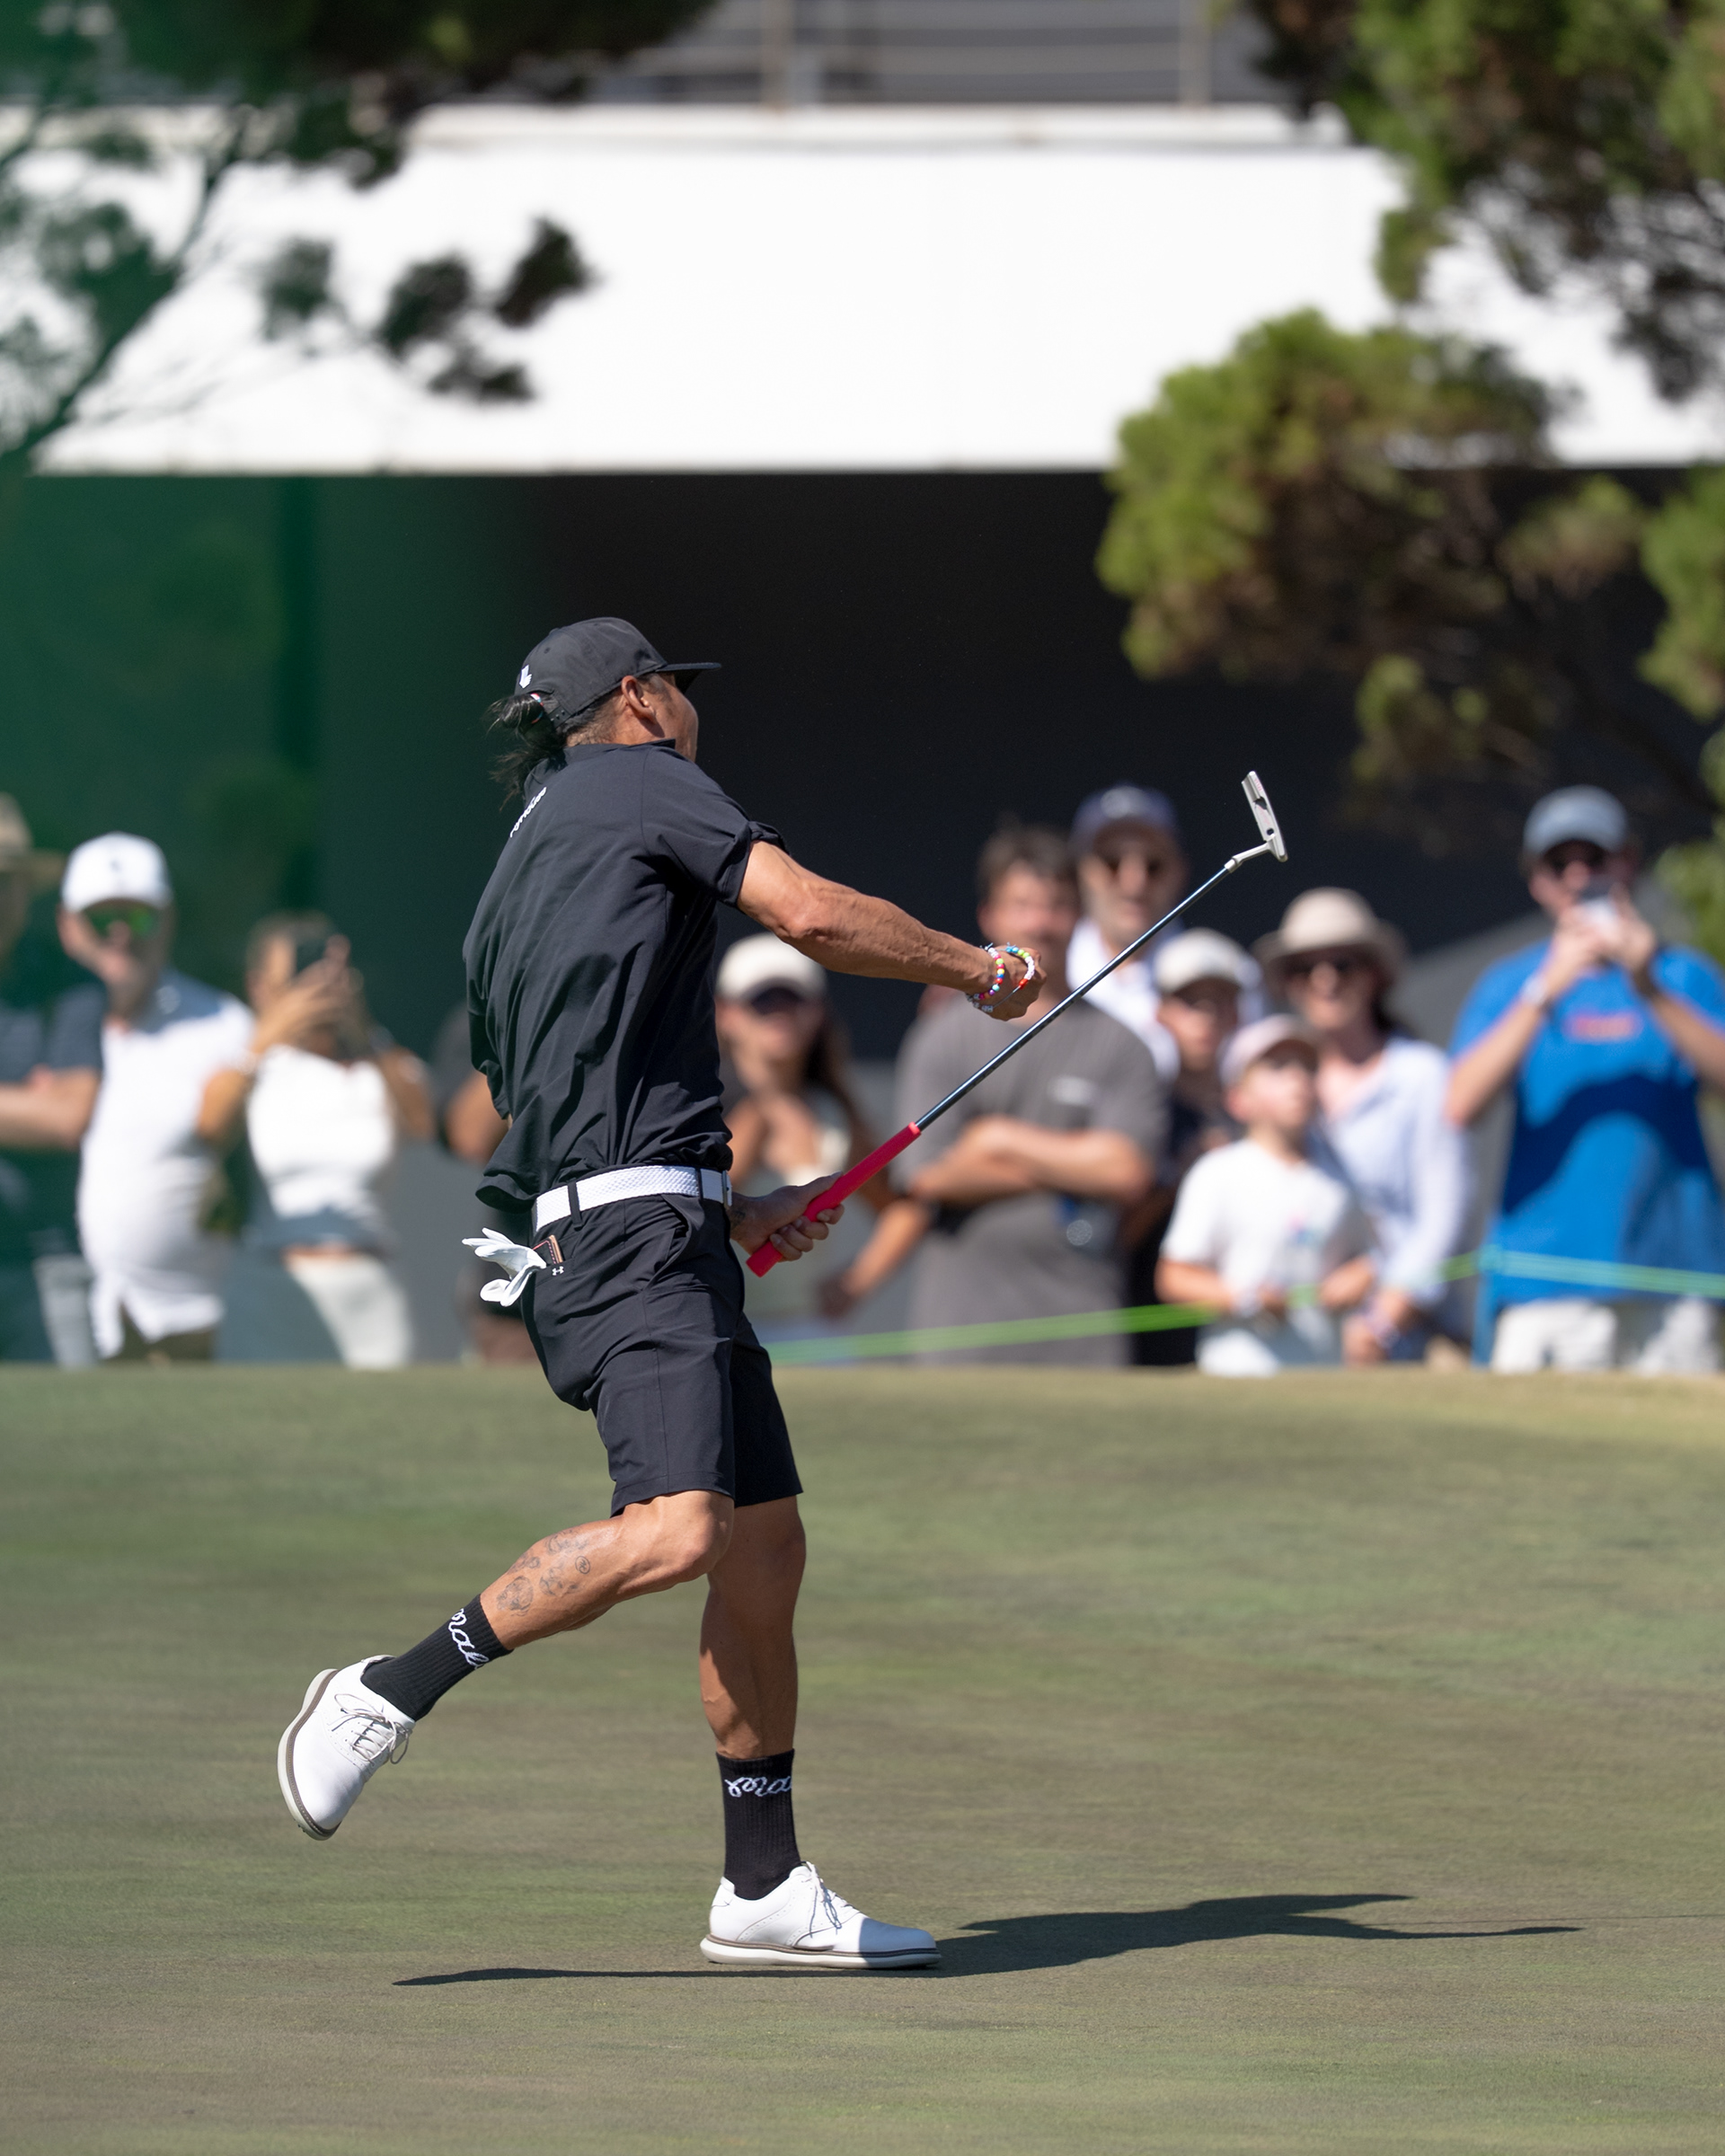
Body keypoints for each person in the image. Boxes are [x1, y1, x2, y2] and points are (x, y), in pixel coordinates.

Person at [277, 616, 1039, 1972]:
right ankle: (387, 1689)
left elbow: (553, 1090)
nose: (691, 712)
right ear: (636, 698)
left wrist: (723, 1208)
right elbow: (808, 914)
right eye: (677, 689)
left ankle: (763, 1885)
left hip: (643, 1230)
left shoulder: (516, 869)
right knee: (684, 1529)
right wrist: (976, 969)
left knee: (764, 1546)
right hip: (631, 1243)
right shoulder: (643, 779)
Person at [1447, 786, 1725, 1373]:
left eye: (1594, 858)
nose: (1578, 876)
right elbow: (1459, 1104)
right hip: (1544, 1280)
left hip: (1674, 1278)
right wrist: (1546, 989)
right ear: (1538, 881)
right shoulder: (1510, 984)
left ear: (1628, 862)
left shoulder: (1684, 975)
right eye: (1559, 863)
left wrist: (1650, 988)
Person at [876, 825, 1163, 1365]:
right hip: (962, 1337)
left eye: (1056, 906)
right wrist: (1075, 1164)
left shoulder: (1122, 1045)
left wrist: (996, 1140)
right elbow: (926, 1174)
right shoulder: (943, 1035)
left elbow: (1128, 1172)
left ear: (1079, 915)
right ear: (989, 916)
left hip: (1085, 1337)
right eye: (1023, 905)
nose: (1039, 923)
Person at [58, 835, 257, 1364]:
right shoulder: (35, 1024)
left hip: (198, 1325)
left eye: (140, 916)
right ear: (67, 926)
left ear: (168, 921)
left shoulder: (226, 1025)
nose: (121, 933)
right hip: (64, 1324)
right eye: (102, 918)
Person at [208, 915, 433, 1369]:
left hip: (370, 1295)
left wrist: (363, 1027)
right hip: (269, 1294)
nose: (314, 989)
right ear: (258, 987)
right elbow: (209, 1126)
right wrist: (268, 1036)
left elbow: (424, 1124)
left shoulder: (377, 1064)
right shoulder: (251, 1066)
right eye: (297, 978)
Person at [1257, 888, 1470, 1364]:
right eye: (1305, 968)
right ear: (1288, 983)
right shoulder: (1270, 1083)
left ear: (1375, 974)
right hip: (1297, 1343)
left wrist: (1382, 1322)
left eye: (1343, 964)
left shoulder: (1422, 1075)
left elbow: (1444, 1216)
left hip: (1408, 1341)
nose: (1325, 980)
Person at [1157, 1016, 1376, 1377]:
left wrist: (1360, 1277)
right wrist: (1246, 1298)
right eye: (1277, 1068)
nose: (1297, 1080)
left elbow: (1366, 1256)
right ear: (1238, 1099)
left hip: (1321, 1375)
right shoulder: (1217, 1173)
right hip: (1237, 1374)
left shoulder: (1339, 1175)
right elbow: (1174, 1276)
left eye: (1307, 1067)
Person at [714, 934, 890, 1325]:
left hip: (808, 1332)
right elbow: (700, 1204)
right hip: (719, 1330)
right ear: (726, 1013)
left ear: (817, 1012)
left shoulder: (831, 1114)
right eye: (762, 1001)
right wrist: (756, 1116)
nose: (779, 1014)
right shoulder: (694, 1112)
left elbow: (901, 1206)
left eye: (792, 999)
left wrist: (855, 1281)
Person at [1066, 783, 1264, 1082]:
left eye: (1154, 865)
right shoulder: (1045, 970)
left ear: (1180, 871)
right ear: (1083, 871)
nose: (1134, 884)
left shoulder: (1235, 976)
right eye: (1112, 862)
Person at [1119, 928, 1252, 1368]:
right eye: (1191, 1003)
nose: (1206, 1018)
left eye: (1220, 1003)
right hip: (1147, 1319)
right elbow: (1116, 1237)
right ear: (1161, 1012)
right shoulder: (1141, 1109)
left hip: (1241, 1329)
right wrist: (1183, 1175)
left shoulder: (1255, 1117)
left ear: (1237, 1014)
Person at [0, 798, 102, 1362]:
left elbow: (66, 1118)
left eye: (4, 881)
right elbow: (48, 1111)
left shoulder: (67, 984)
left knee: (71, 1419)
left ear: (26, 890)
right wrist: (24, 1105)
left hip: (44, 1258)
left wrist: (51, 1108)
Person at [429, 1004, 537, 1365]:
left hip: (649, 1282)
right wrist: (536, 1021)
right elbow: (471, 1137)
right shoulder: (498, 1010)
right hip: (524, 1306)